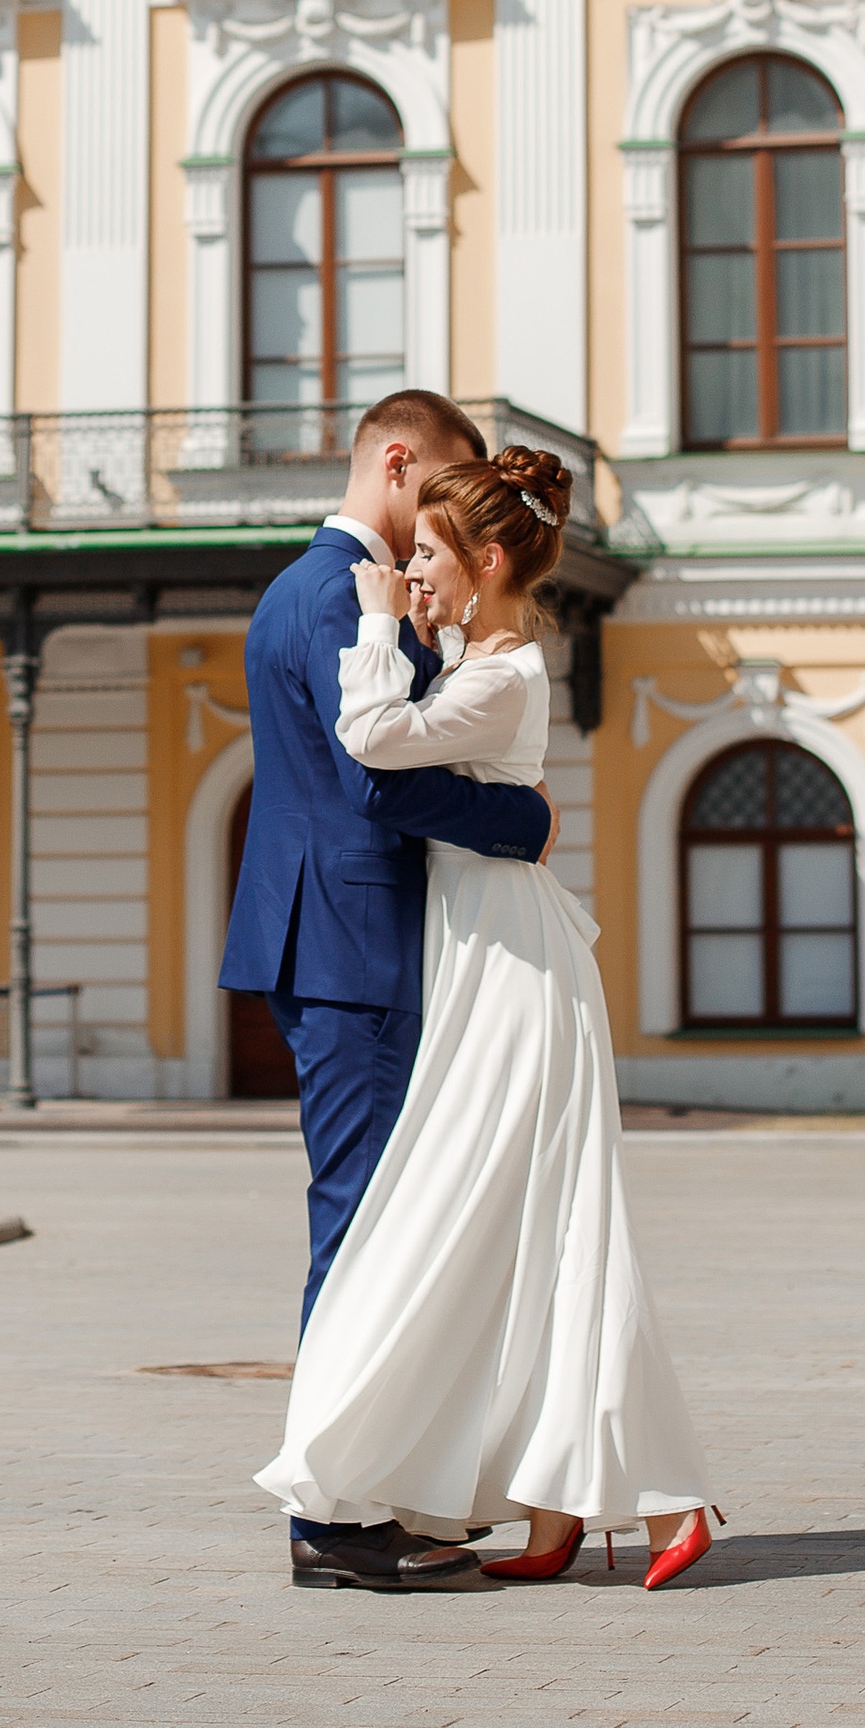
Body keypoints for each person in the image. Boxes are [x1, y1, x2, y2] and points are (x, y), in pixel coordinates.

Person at [255, 446, 719, 1593]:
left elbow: (371, 746)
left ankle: (664, 1498)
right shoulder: (475, 653)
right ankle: (556, 1506)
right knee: (530, 1235)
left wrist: (370, 627)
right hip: (478, 954)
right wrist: (516, 806)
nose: (407, 574)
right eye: (404, 557)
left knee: (510, 1221)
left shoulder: (500, 672)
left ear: (489, 559)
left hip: (513, 975)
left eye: (425, 556)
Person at [220, 390, 555, 1593]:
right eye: (440, 499)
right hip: (349, 945)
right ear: (399, 464)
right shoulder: (329, 594)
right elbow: (377, 778)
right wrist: (523, 818)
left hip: (344, 938)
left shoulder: (311, 586)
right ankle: (332, 1519)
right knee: (359, 1227)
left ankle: (366, 1492)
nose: (444, 533)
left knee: (369, 1220)